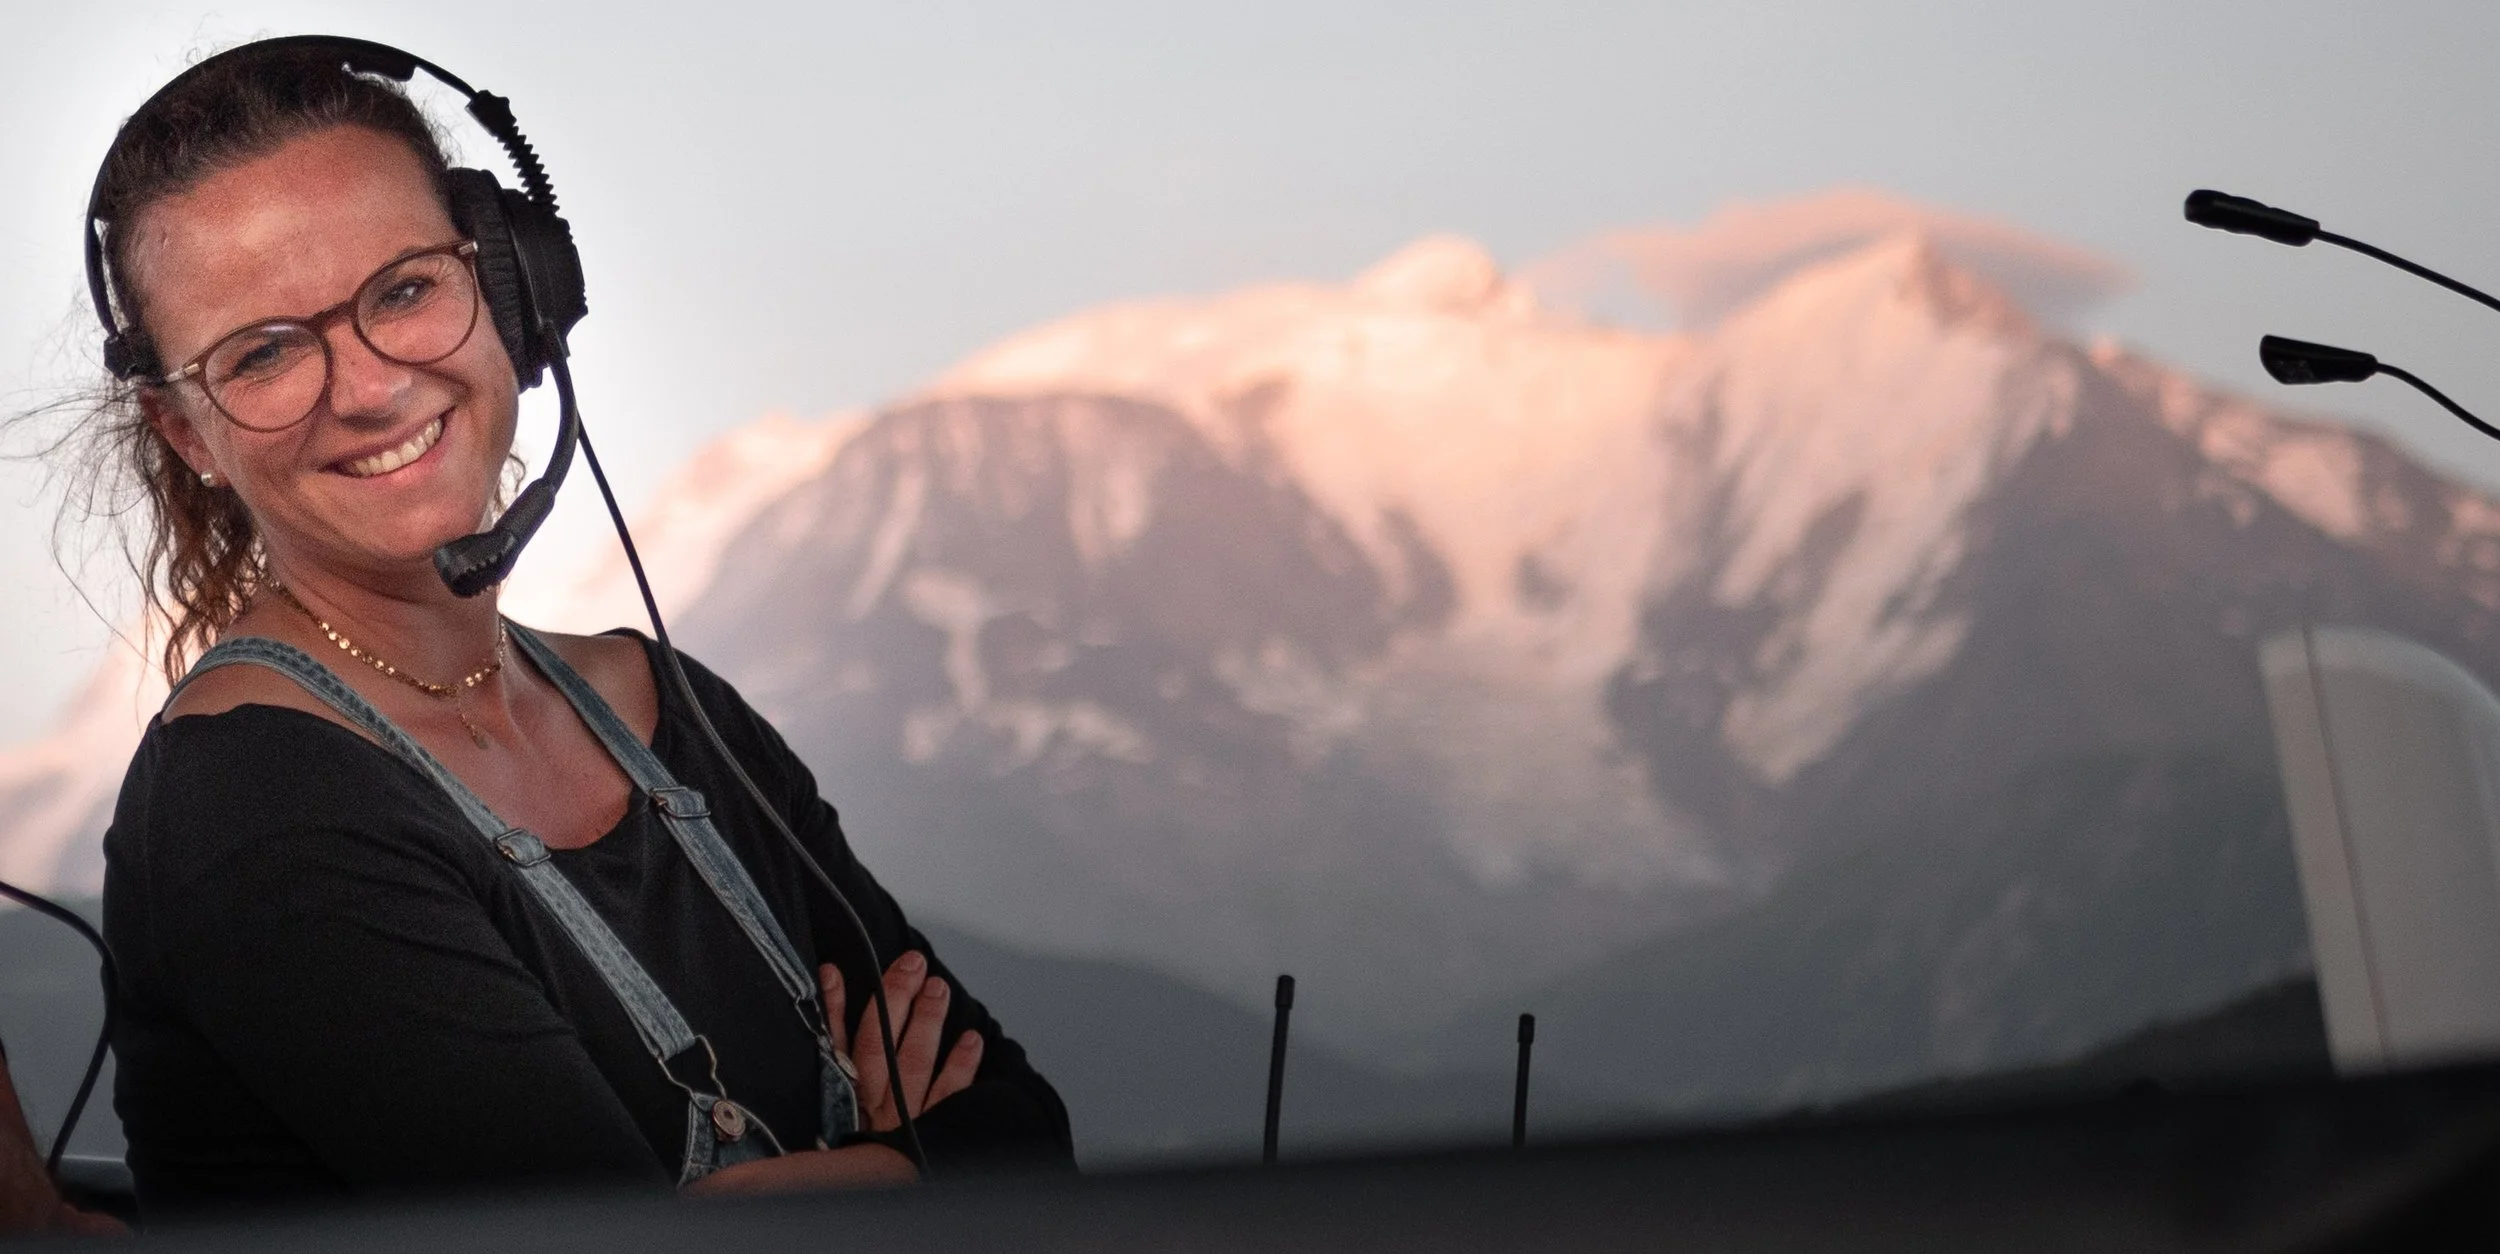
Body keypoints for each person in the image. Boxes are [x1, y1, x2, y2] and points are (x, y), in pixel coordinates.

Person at [81, 40, 1071, 1217]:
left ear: (511, 290)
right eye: (263, 354)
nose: (366, 386)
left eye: (404, 289)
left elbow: (1023, 1136)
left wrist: (753, 1199)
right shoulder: (253, 808)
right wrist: (898, 1159)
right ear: (188, 434)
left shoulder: (666, 705)